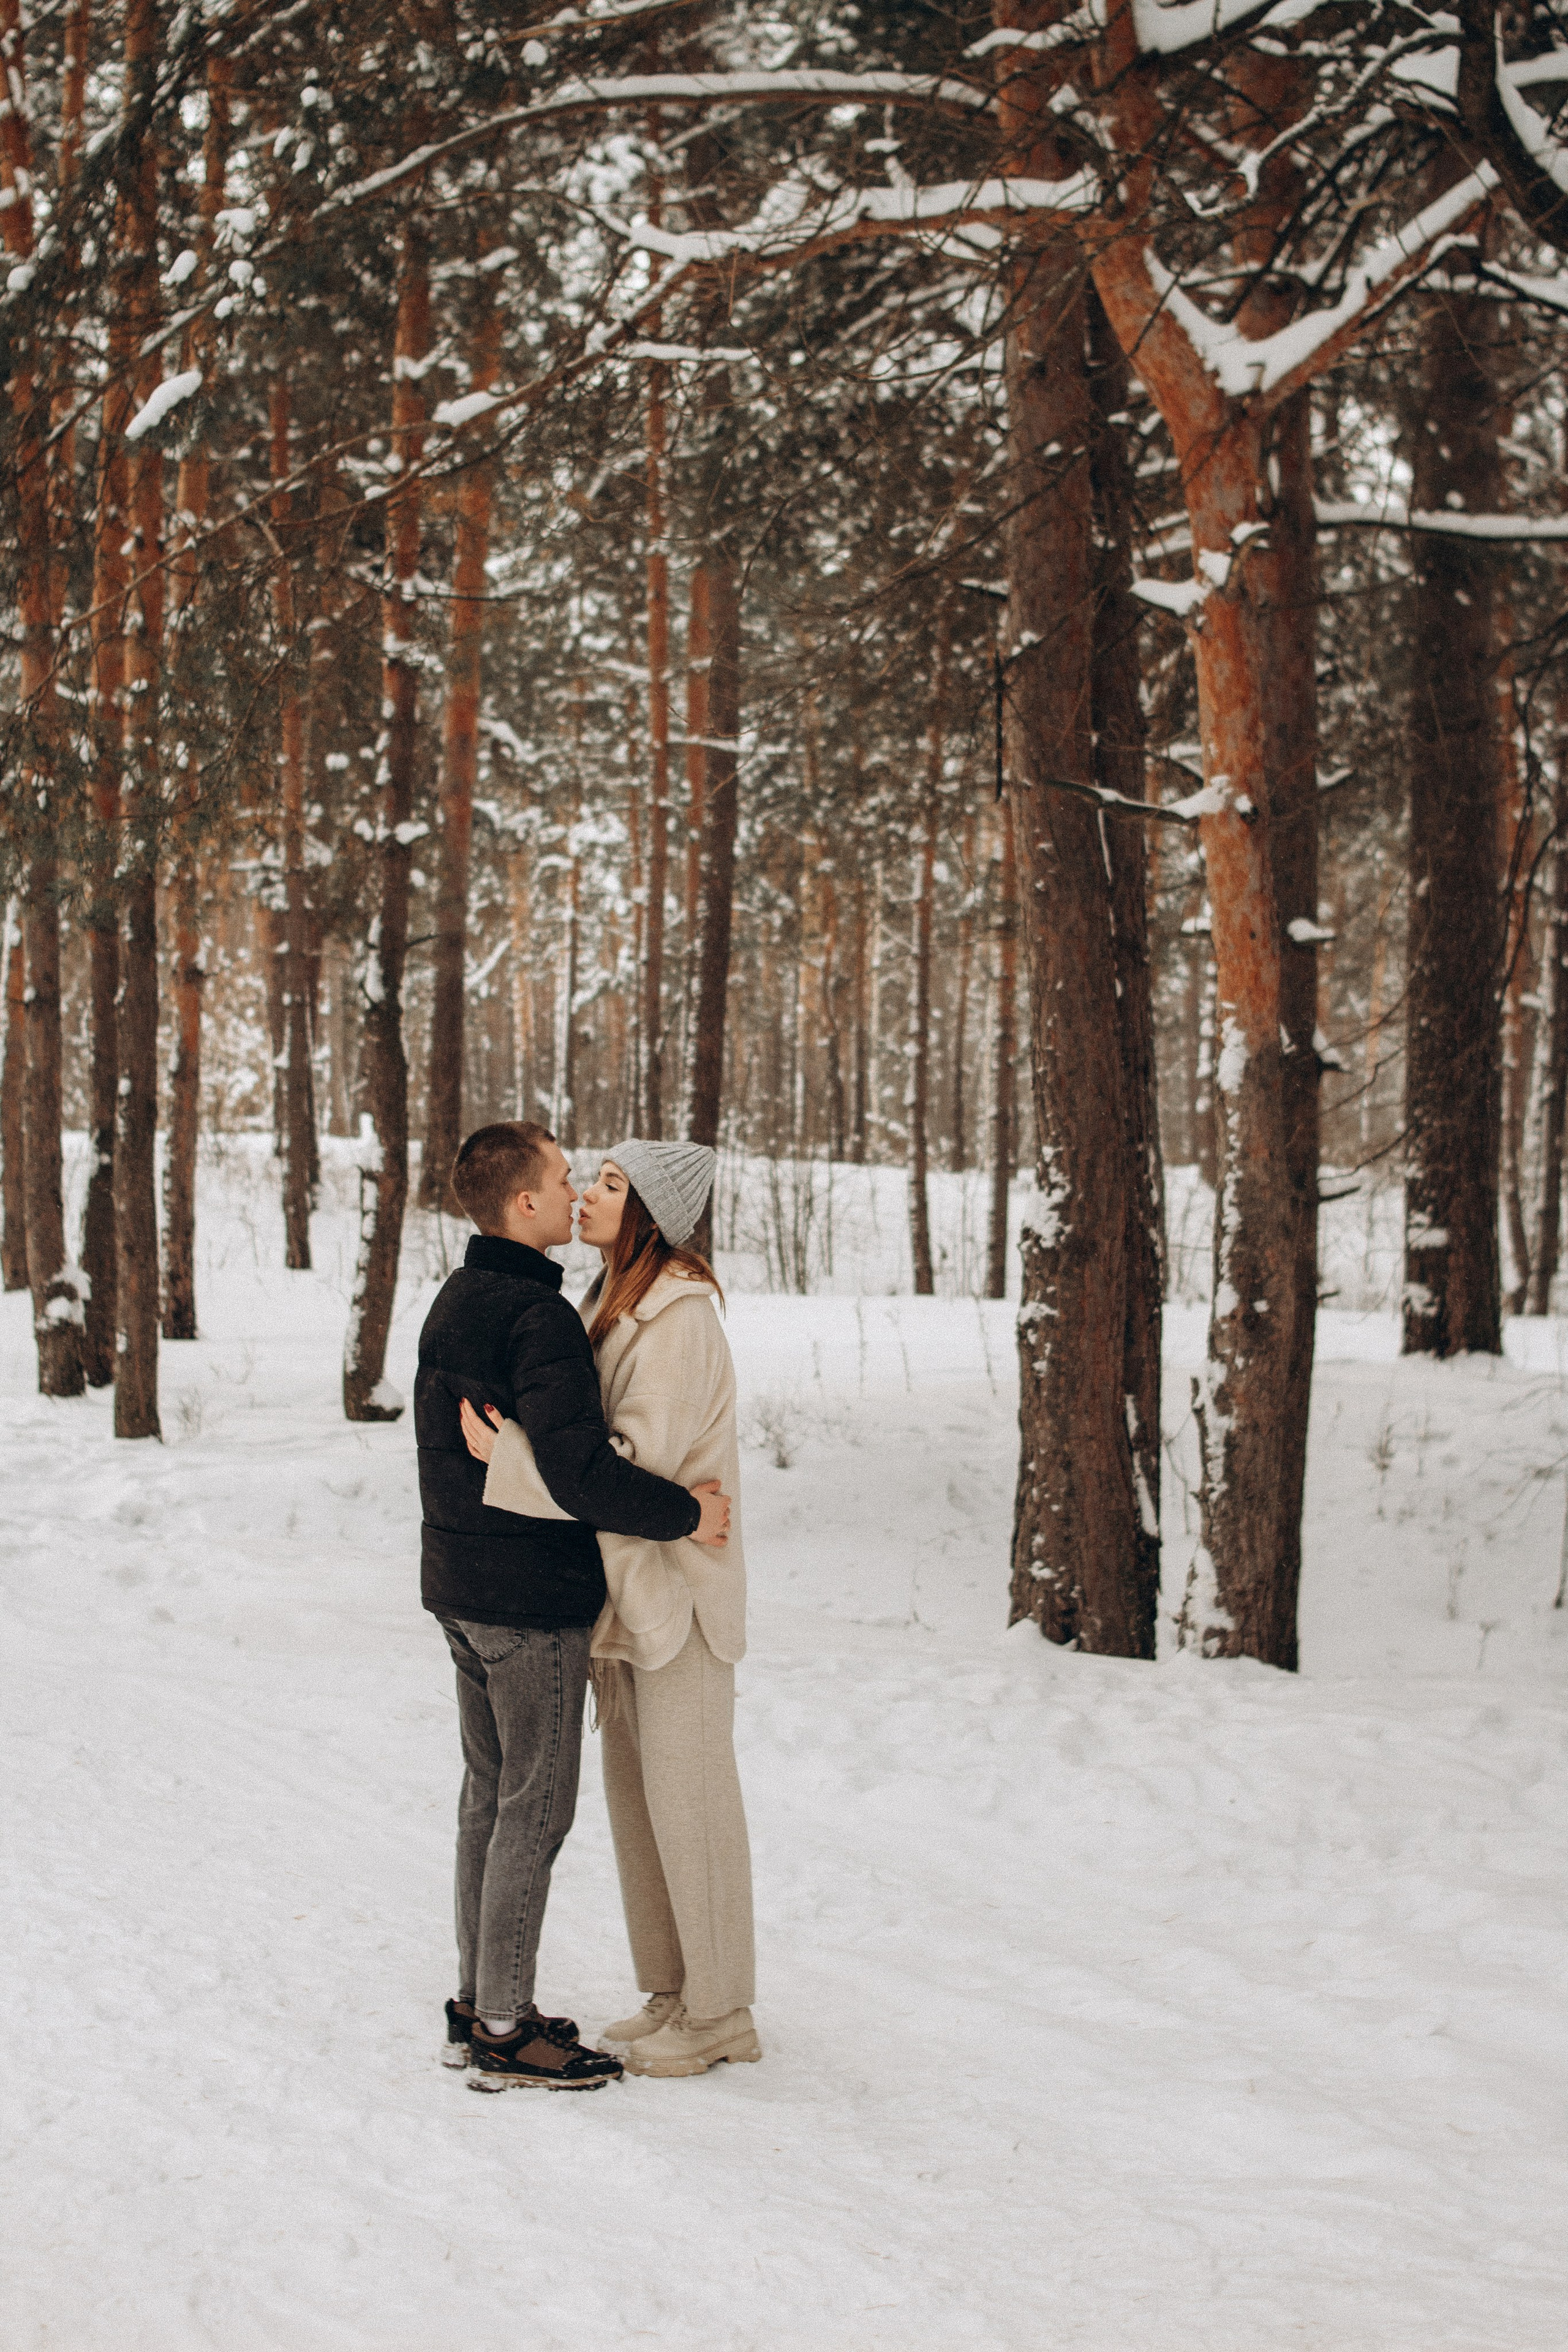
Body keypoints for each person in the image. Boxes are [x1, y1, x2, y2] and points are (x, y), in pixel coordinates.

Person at [415, 1120, 731, 2094]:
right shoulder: (542, 1315)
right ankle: (506, 2027)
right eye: (563, 1177)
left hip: (461, 1589)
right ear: (525, 1206)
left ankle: (480, 2004)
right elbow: (587, 1473)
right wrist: (686, 1512)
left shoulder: (456, 1297)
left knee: (488, 1798)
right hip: (528, 1599)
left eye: (591, 1181)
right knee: (535, 1810)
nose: (572, 1192)